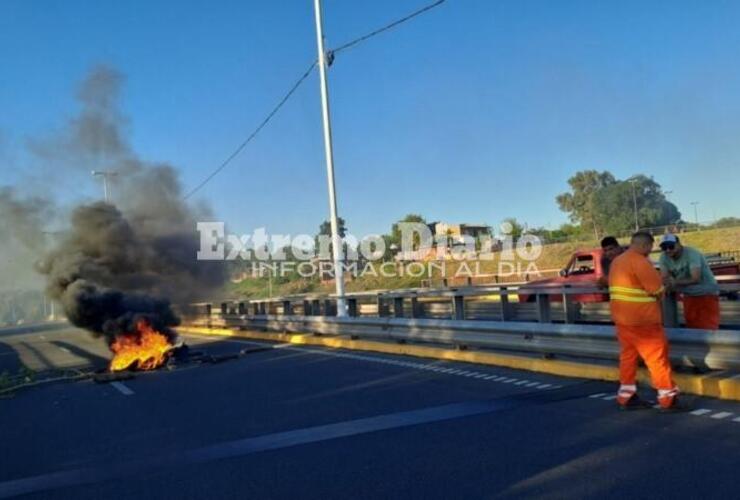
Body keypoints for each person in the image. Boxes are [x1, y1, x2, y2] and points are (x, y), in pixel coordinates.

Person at [609, 231, 685, 411]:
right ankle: (668, 398)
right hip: (643, 320)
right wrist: (665, 285)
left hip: (622, 319)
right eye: (650, 247)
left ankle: (626, 396)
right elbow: (656, 289)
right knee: (657, 358)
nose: (650, 251)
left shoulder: (618, 261)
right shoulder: (640, 262)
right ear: (644, 245)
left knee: (628, 357)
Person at [659, 234, 720, 330]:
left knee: (707, 325)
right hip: (689, 292)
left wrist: (674, 282)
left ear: (679, 244)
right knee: (691, 323)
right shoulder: (664, 257)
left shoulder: (692, 254)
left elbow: (695, 278)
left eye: (671, 246)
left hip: (706, 291)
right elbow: (664, 277)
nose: (667, 250)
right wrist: (667, 283)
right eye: (664, 247)